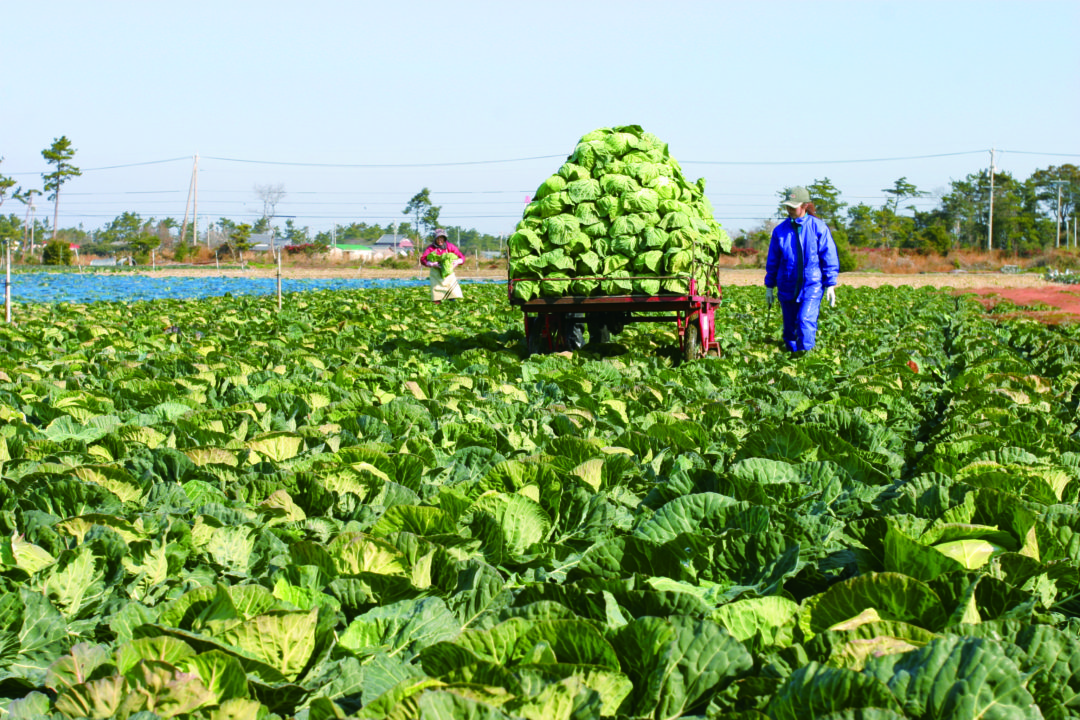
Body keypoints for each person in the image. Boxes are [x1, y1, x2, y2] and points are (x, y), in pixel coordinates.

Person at [764, 186, 839, 353]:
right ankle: (792, 361)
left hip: (811, 285)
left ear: (805, 205)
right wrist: (769, 287)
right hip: (786, 285)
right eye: (788, 206)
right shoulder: (780, 231)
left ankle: (805, 360)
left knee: (805, 321)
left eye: (793, 206)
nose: (789, 209)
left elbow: (829, 256)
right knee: (789, 330)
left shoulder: (818, 227)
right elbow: (773, 261)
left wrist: (830, 284)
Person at [420, 229, 466, 304]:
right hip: (436, 273)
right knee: (436, 292)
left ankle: (452, 305)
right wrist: (431, 263)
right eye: (438, 238)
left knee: (452, 291)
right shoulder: (431, 248)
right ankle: (437, 306)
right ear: (435, 239)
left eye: (442, 238)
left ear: (444, 239)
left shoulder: (450, 246)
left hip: (448, 273)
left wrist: (458, 261)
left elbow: (461, 257)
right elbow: (423, 259)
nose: (440, 240)